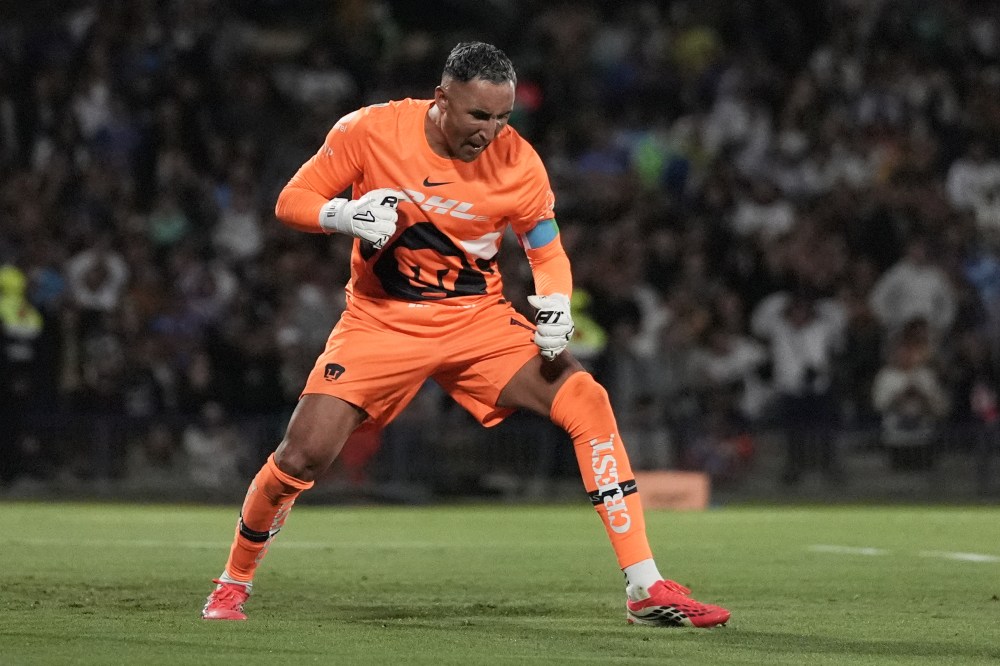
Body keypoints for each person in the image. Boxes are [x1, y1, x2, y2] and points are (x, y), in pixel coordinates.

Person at [201, 41, 729, 628]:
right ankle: (233, 583)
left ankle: (644, 588)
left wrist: (554, 305)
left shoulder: (519, 160)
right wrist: (342, 216)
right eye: (479, 115)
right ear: (442, 98)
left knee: (587, 398)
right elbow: (290, 200)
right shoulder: (370, 130)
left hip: (477, 321)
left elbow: (546, 249)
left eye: (503, 117)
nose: (491, 131)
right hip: (381, 321)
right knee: (302, 455)